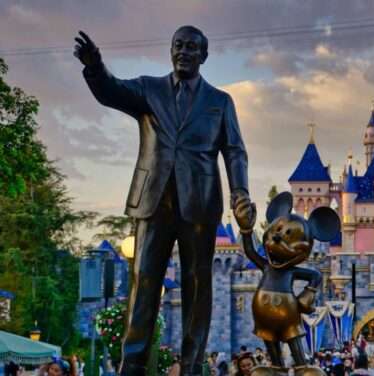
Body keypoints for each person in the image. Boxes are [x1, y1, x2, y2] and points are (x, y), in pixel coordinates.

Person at [74, 25, 253, 376]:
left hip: (199, 205)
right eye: (178, 46)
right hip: (153, 201)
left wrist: (240, 193)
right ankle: (133, 364)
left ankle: (192, 365)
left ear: (204, 55)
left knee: (198, 286)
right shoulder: (148, 89)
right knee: (144, 282)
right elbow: (112, 91)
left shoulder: (220, 102)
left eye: (191, 48)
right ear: (171, 51)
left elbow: (235, 151)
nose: (183, 52)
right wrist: (95, 67)